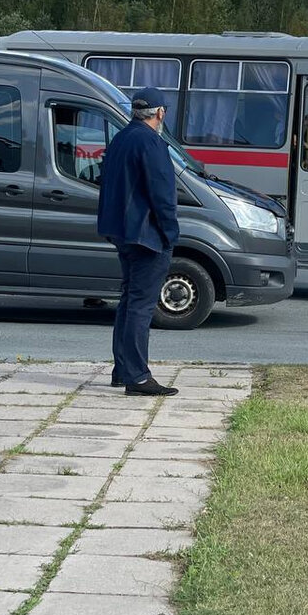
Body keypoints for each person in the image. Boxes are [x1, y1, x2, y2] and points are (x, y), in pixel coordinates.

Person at [97, 88, 180, 397]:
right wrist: (171, 233)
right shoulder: (152, 143)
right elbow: (162, 194)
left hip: (122, 232)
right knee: (141, 305)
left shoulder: (120, 138)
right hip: (148, 236)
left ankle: (123, 369)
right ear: (160, 113)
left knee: (130, 301)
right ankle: (137, 377)